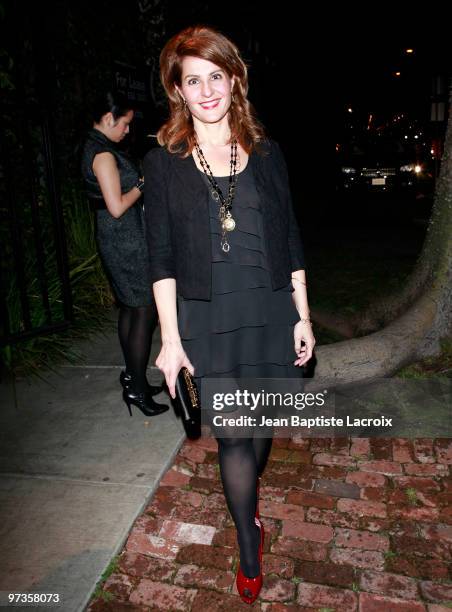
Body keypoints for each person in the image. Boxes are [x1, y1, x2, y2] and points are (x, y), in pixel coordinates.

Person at [144, 26, 315, 604]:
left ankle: (251, 518)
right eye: (193, 80)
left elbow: (290, 236)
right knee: (235, 437)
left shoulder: (267, 155)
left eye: (216, 75)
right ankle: (248, 546)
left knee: (260, 431)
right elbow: (160, 256)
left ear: (234, 79)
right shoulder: (162, 163)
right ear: (179, 92)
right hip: (205, 315)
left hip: (267, 309)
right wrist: (170, 342)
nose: (207, 89)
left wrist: (303, 314)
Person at [81, 91, 167, 418]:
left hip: (120, 238)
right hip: (124, 239)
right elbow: (117, 207)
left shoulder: (97, 147)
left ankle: (133, 377)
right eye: (125, 124)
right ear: (108, 118)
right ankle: (136, 388)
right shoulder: (102, 155)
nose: (128, 130)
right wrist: (143, 184)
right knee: (143, 310)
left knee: (131, 310)